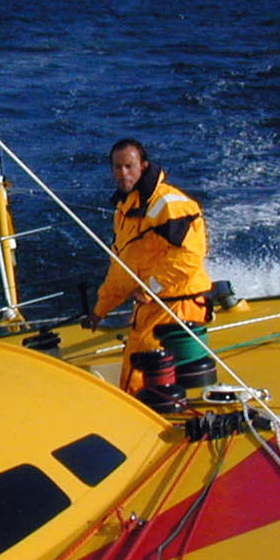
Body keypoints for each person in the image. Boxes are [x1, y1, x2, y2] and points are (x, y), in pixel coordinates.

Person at [83, 139, 211, 393]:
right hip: (153, 306)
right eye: (117, 167)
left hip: (176, 305)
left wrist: (150, 288)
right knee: (137, 372)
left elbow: (190, 256)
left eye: (129, 166)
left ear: (143, 166)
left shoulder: (168, 204)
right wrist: (101, 309)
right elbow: (123, 270)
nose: (123, 173)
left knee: (139, 375)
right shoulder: (126, 210)